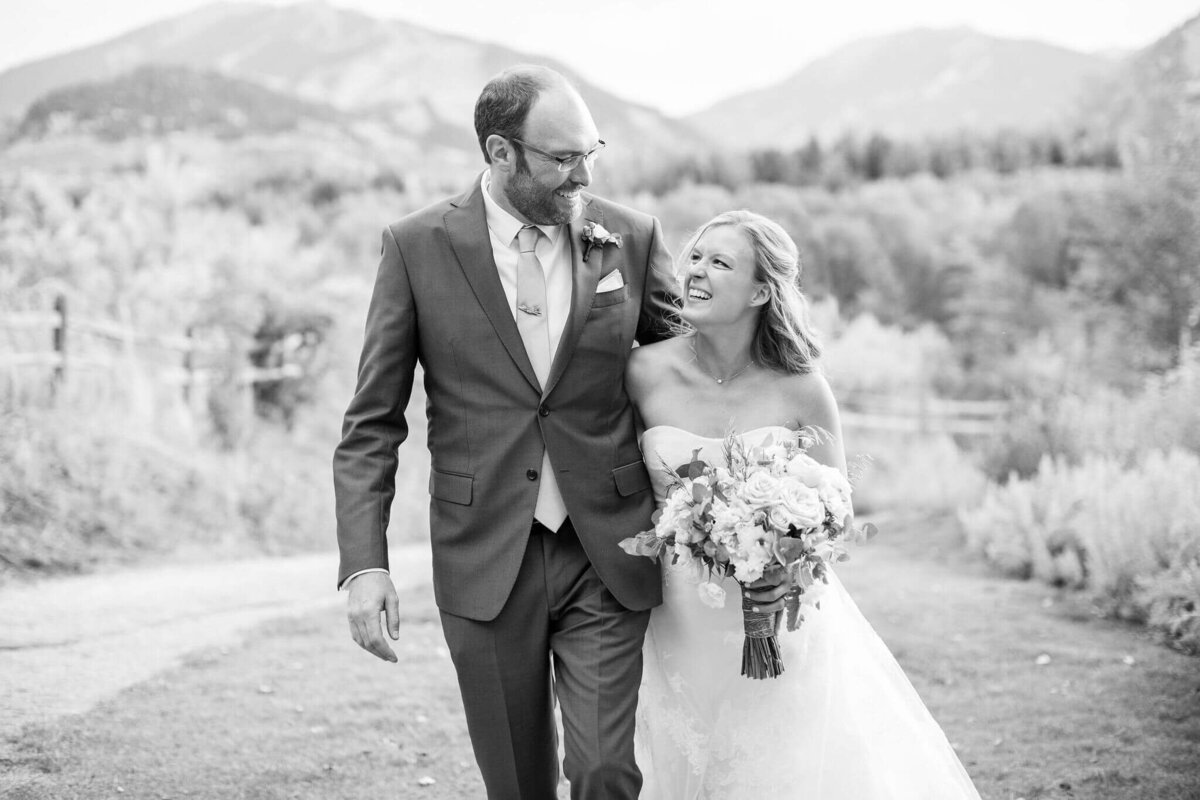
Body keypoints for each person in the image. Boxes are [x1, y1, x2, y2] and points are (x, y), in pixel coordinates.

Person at [332, 65, 678, 800]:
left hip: (606, 549)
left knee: (604, 769)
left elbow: (690, 372)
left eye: (591, 152)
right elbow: (371, 424)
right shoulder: (415, 247)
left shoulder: (633, 240)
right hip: (484, 553)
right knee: (516, 784)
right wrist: (365, 566)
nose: (582, 174)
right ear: (500, 153)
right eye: (562, 158)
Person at [625, 210, 982, 799]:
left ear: (762, 290)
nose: (696, 271)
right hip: (674, 615)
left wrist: (783, 568)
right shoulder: (642, 372)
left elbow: (835, 513)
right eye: (695, 256)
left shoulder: (802, 388)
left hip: (782, 619)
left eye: (720, 263)